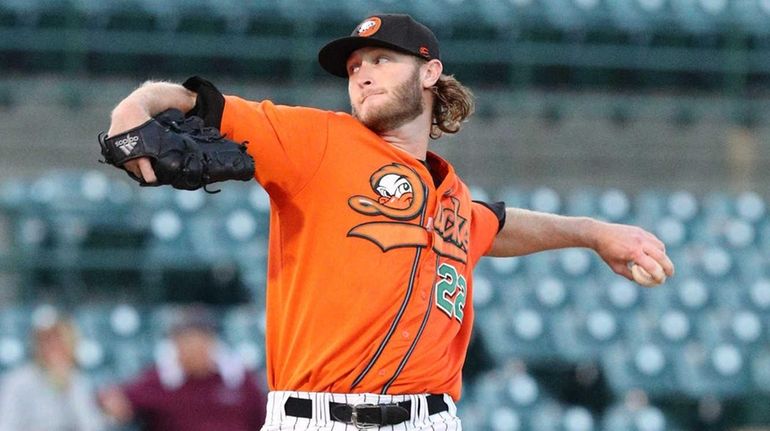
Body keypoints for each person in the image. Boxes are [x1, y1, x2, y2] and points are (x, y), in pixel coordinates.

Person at [103, 13, 675, 430]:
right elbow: (200, 104)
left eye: (381, 60)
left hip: (429, 419)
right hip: (317, 417)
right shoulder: (320, 141)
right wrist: (136, 107)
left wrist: (596, 233)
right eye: (355, 66)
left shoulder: (449, 193)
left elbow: (494, 225)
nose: (363, 74)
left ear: (430, 73)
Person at [98, 307, 266, 431]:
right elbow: (116, 400)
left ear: (212, 343)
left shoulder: (240, 380)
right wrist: (111, 403)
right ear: (175, 347)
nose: (193, 350)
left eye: (199, 343)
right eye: (186, 343)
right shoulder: (159, 381)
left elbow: (263, 419)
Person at [0, 312, 106, 431]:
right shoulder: (18, 381)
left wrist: (69, 388)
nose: (53, 348)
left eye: (59, 341)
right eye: (46, 342)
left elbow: (91, 426)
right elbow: (5, 425)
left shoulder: (77, 380)